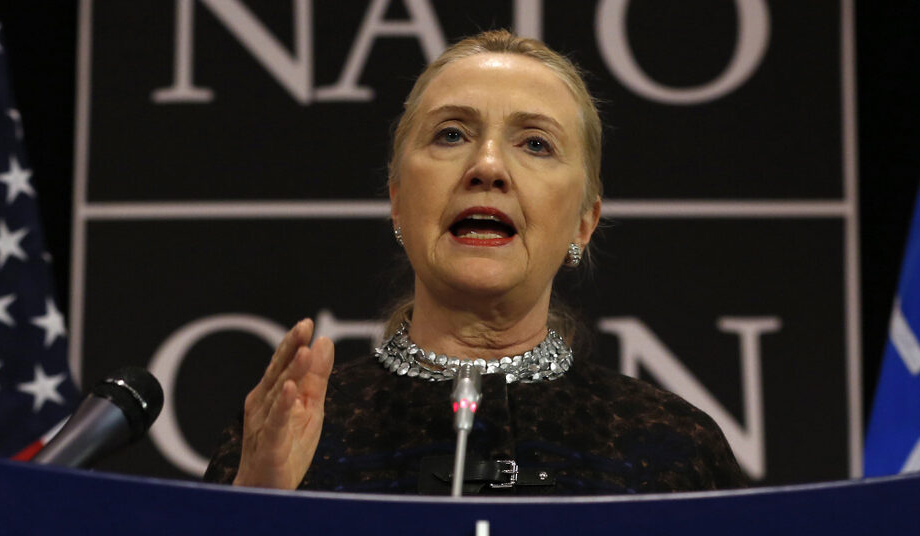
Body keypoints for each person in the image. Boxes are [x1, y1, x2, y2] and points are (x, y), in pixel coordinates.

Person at [205, 30, 746, 495]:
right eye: (451, 135)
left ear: (585, 221)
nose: (487, 166)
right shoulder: (295, 434)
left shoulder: (673, 449)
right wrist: (256, 508)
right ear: (397, 199)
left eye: (535, 143)